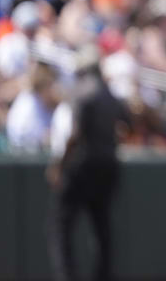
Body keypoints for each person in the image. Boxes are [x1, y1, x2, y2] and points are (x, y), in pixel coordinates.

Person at [48, 49, 130, 281]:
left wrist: (58, 165)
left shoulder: (80, 93)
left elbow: (74, 135)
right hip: (107, 165)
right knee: (101, 227)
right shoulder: (111, 96)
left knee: (60, 225)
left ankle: (65, 276)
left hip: (82, 166)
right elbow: (128, 125)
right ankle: (103, 276)